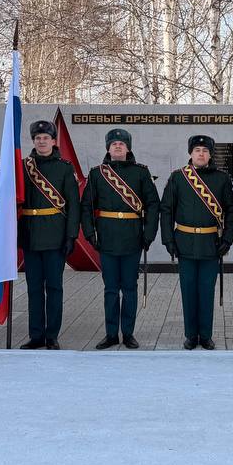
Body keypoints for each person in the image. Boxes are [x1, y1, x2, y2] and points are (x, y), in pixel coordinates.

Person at [80, 128, 160, 349]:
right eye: (114, 144)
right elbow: (86, 206)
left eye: (121, 144)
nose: (117, 146)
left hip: (133, 238)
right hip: (106, 238)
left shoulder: (141, 172)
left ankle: (128, 333)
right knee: (111, 289)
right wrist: (90, 233)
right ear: (108, 148)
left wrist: (148, 234)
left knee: (130, 288)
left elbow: (153, 205)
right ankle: (111, 334)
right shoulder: (97, 174)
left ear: (128, 148)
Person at [160, 135, 233, 349]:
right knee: (188, 290)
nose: (201, 154)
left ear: (210, 154)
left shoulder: (222, 179)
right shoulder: (178, 178)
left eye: (205, 151)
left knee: (206, 290)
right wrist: (168, 240)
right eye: (197, 150)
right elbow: (166, 210)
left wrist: (227, 239)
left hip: (211, 244)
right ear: (190, 153)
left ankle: (205, 335)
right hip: (184, 243)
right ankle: (190, 335)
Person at [19, 120, 81, 349]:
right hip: (30, 235)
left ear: (54, 141)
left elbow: (73, 205)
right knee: (34, 289)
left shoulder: (64, 167)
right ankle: (36, 335)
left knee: (54, 288)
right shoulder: (22, 167)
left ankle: (52, 335)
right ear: (33, 141)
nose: (42, 141)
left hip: (56, 236)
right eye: (38, 138)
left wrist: (71, 236)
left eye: (46, 138)